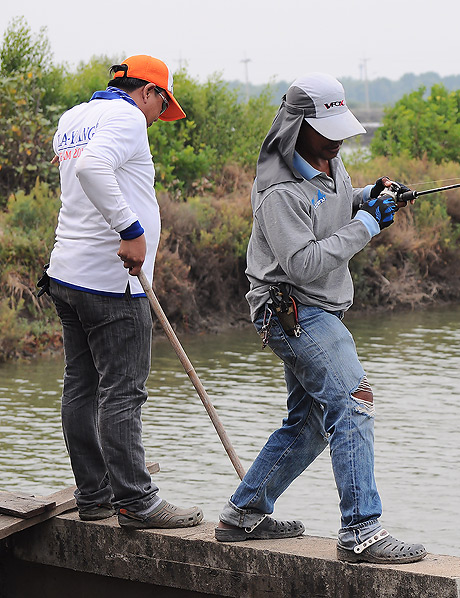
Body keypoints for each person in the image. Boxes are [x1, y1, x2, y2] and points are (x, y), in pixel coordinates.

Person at [215, 72, 427, 565]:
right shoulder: (278, 190)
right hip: (291, 311)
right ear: (297, 126)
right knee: (354, 400)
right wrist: (367, 226)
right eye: (326, 128)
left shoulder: (327, 159)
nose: (336, 139)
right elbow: (305, 262)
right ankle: (361, 531)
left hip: (319, 307)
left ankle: (242, 515)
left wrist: (372, 196)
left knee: (309, 423)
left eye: (339, 128)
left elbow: (331, 206)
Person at [41, 55, 203, 529]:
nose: (158, 116)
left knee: (82, 388)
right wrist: (130, 230)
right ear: (149, 92)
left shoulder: (74, 117)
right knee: (123, 394)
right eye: (161, 104)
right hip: (113, 285)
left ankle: (94, 498)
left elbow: (77, 173)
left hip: (67, 276)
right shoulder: (128, 116)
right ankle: (136, 500)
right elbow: (93, 169)